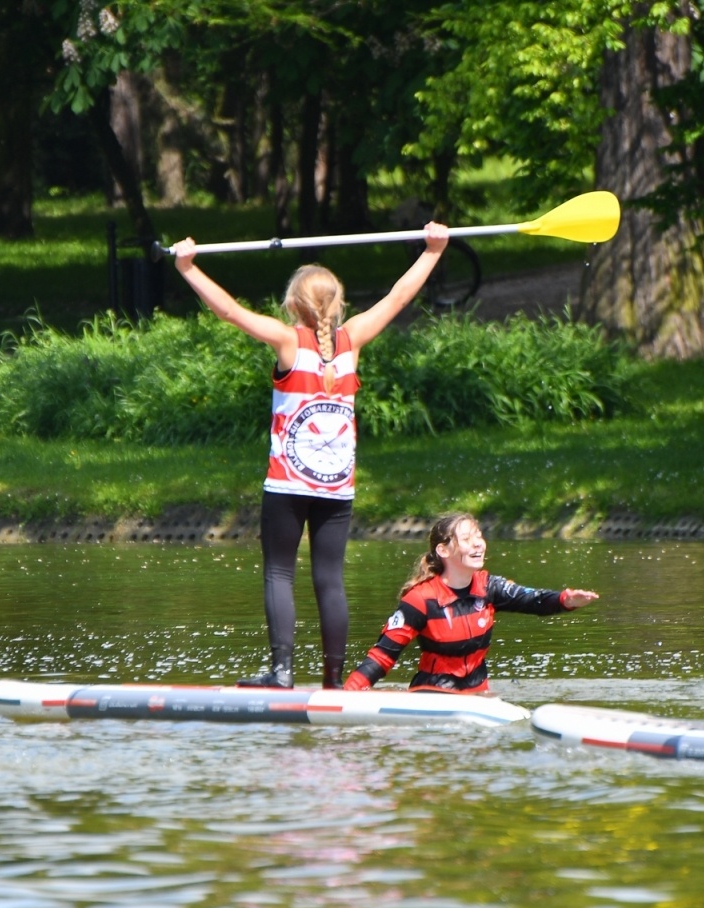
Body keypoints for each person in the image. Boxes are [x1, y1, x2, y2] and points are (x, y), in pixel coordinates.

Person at [169, 223, 450, 689]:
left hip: (286, 485)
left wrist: (188, 267)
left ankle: (281, 673)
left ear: (293, 304)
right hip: (337, 487)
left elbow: (230, 312)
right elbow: (399, 298)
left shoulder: (286, 342)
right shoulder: (353, 340)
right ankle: (334, 682)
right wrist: (433, 251)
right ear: (336, 304)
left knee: (279, 572)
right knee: (330, 579)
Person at [343, 512, 599, 693]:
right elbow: (381, 657)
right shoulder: (420, 600)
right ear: (443, 551)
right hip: (433, 697)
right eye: (467, 539)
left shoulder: (489, 587)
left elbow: (534, 600)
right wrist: (344, 696)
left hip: (479, 695)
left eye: (479, 536)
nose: (478, 544)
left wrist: (567, 599)